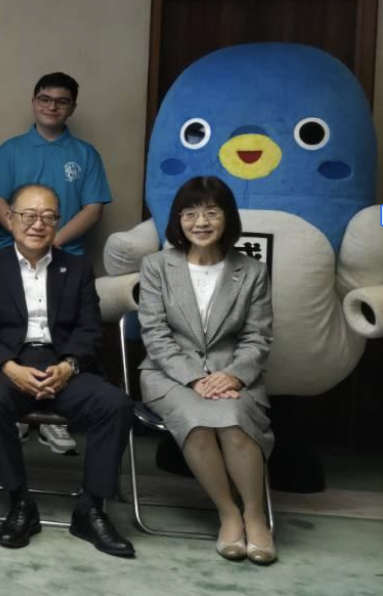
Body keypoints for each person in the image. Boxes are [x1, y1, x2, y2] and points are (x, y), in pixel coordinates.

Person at [0, 184, 134, 557]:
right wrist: (11, 368)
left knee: (115, 404)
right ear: (10, 219)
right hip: (7, 365)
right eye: (28, 215)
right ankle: (20, 502)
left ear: (57, 222)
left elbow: (89, 330)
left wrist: (68, 367)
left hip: (62, 364)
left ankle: (91, 509)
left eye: (47, 216)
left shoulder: (77, 268)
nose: (37, 224)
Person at [138, 176, 275, 564]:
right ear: (178, 219)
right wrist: (195, 378)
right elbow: (155, 333)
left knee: (233, 421)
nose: (201, 222)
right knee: (196, 422)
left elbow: (258, 337)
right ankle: (228, 513)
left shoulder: (252, 271)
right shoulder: (156, 266)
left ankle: (255, 516)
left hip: (233, 374)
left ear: (227, 217)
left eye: (211, 212)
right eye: (190, 213)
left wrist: (232, 375)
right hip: (168, 374)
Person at [0, 71, 111, 455]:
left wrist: (51, 240)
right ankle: (18, 412)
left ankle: (58, 418)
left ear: (72, 107)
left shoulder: (85, 154)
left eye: (61, 101)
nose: (52, 106)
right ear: (34, 101)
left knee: (59, 341)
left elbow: (93, 208)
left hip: (65, 263)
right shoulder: (10, 150)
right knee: (17, 337)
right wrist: (25, 236)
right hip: (12, 262)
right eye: (45, 99)